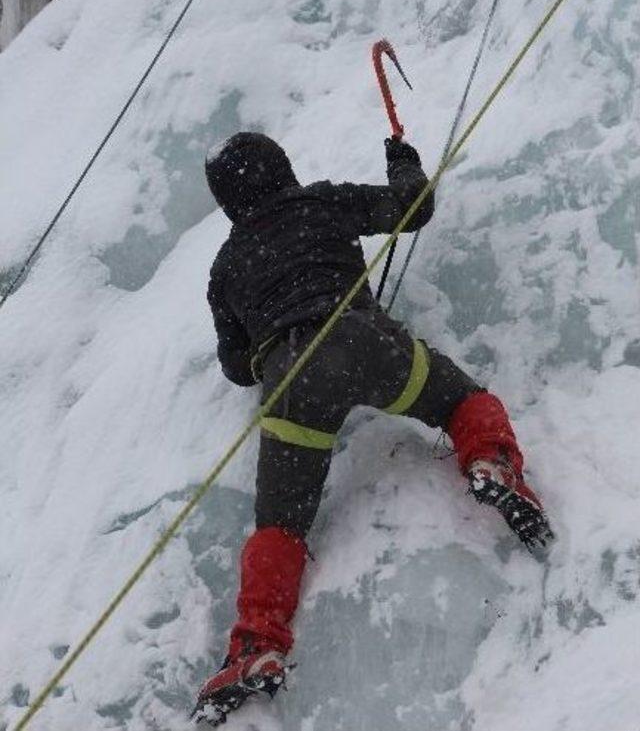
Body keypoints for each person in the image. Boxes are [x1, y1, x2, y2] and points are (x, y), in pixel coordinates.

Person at [193, 132, 553, 726]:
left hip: (289, 380)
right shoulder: (321, 202)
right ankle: (491, 462)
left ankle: (257, 645)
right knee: (461, 399)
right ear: (282, 167)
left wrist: (264, 312)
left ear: (227, 200)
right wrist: (401, 160)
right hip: (363, 343)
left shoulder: (226, 265)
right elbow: (413, 207)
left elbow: (235, 368)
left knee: (280, 524)